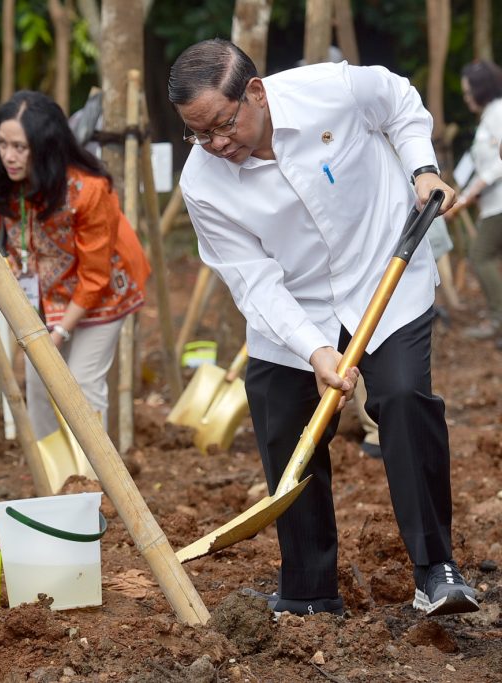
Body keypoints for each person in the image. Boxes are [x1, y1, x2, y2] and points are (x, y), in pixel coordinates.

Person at [169, 39, 478, 618]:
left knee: (403, 396)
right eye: (198, 134)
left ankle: (436, 570)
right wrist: (313, 352)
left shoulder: (330, 90)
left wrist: (423, 169)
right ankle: (310, 590)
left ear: (255, 92)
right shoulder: (203, 184)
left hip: (384, 271)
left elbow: (400, 102)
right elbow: (254, 282)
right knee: (282, 423)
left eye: (223, 125)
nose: (217, 144)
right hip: (295, 305)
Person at [0, 91, 150, 440]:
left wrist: (61, 332)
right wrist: (1, 259)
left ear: (47, 147)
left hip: (103, 291)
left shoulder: (87, 190)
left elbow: (95, 276)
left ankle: (94, 477)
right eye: (3, 144)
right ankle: (54, 480)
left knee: (83, 381)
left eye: (20, 147)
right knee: (40, 380)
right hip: (41, 291)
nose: (8, 156)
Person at [447, 60, 502, 348]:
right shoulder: (490, 116)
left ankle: (498, 320)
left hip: (499, 205)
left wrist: (466, 199)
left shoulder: (497, 114)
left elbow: (495, 167)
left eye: (469, 92)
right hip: (492, 203)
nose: (466, 97)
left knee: (480, 255)